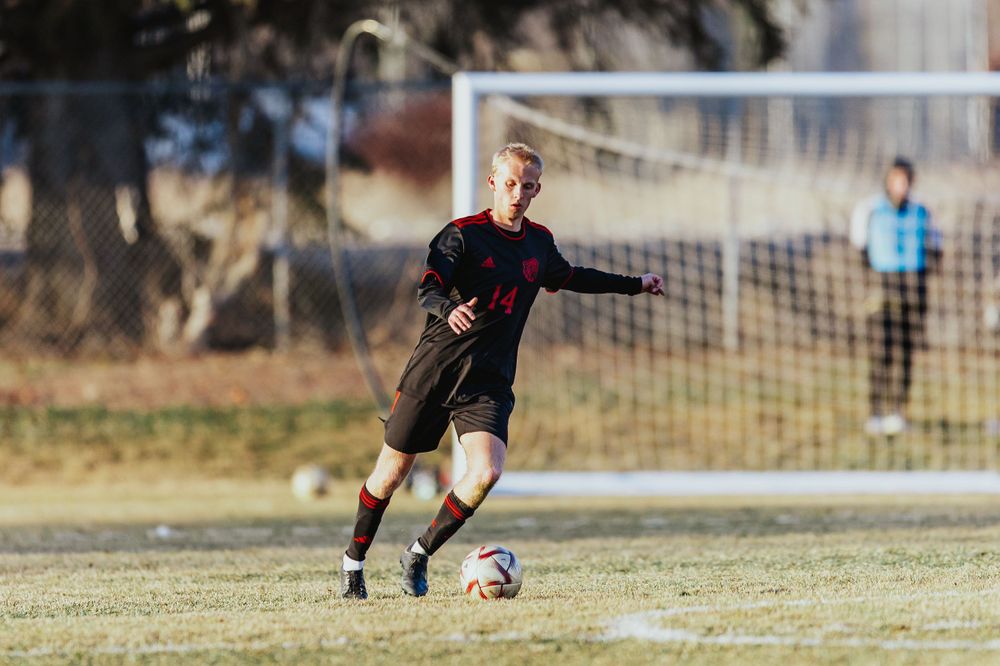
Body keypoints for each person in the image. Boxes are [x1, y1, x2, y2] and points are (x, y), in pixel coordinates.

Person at [340, 142, 664, 599]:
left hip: (488, 381)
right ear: (493, 182)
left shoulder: (538, 242)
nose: (518, 193)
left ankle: (418, 553)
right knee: (390, 475)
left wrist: (635, 285)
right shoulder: (462, 234)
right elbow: (428, 285)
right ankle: (353, 564)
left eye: (527, 186)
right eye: (510, 183)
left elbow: (571, 277)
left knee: (487, 471)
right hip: (434, 372)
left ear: (537, 190)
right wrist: (448, 308)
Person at [849, 156, 941, 437]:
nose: (901, 185)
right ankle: (875, 413)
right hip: (882, 286)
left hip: (913, 286)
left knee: (905, 353)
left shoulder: (922, 211)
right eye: (896, 179)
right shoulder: (870, 209)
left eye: (906, 180)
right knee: (881, 351)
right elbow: (859, 247)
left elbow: (936, 248)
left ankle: (897, 412)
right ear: (888, 181)